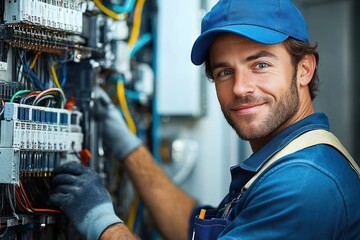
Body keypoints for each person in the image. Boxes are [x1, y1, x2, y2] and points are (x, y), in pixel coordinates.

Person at [49, 0, 360, 239]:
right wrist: (127, 145)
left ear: (304, 69)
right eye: (225, 72)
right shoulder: (286, 161)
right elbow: (192, 229)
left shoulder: (303, 184)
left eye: (261, 64)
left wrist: (102, 223)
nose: (240, 88)